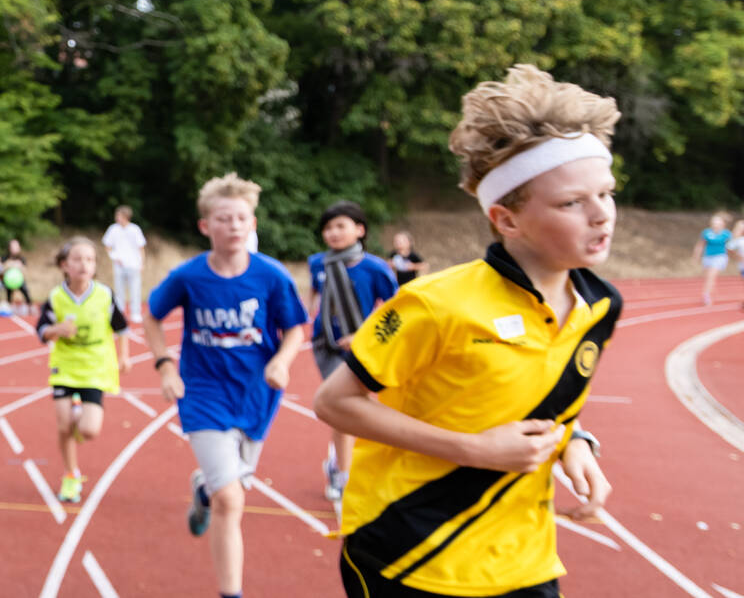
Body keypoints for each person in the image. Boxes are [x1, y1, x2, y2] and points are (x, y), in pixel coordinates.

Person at [315, 64, 619, 598]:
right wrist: (472, 449)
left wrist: (575, 443)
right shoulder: (435, 305)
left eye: (606, 193)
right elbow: (335, 403)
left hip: (525, 561)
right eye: (572, 202)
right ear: (506, 219)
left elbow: (548, 400)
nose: (602, 215)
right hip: (408, 553)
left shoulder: (600, 305)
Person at [142, 172, 308, 598]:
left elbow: (294, 329)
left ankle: (202, 490)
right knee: (231, 501)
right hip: (203, 394)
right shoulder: (189, 276)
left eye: (241, 218)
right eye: (223, 218)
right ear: (205, 226)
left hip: (256, 395)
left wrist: (282, 362)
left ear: (252, 223)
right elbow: (152, 314)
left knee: (227, 492)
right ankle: (230, 593)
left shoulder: (271, 276)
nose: (233, 225)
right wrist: (165, 366)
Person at [304, 200, 397, 504]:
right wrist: (312, 314)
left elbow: (395, 308)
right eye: (328, 228)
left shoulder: (374, 267)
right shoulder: (319, 262)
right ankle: (344, 477)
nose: (333, 232)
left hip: (364, 346)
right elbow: (315, 291)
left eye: (340, 226)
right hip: (327, 346)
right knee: (344, 407)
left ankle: (338, 466)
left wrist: (363, 335)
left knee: (353, 408)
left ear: (359, 230)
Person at [35, 238, 128, 503]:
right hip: (65, 364)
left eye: (89, 259)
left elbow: (122, 328)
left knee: (89, 430)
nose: (84, 264)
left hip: (96, 365)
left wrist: (124, 356)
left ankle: (79, 418)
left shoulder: (104, 295)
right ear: (65, 265)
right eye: (77, 259)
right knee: (63, 425)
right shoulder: (56, 297)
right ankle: (70, 474)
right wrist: (56, 330)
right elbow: (41, 330)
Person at [102, 205, 147, 322]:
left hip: (133, 264)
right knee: (119, 289)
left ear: (125, 216)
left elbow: (141, 247)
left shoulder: (135, 229)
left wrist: (142, 263)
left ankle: (135, 313)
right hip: (119, 265)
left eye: (119, 215)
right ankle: (119, 312)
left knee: (135, 289)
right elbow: (107, 245)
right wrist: (114, 257)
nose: (117, 217)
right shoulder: (113, 229)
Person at [697, 212, 733, 306]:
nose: (715, 224)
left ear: (722, 224)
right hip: (707, 257)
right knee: (708, 277)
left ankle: (706, 295)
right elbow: (700, 245)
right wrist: (697, 255)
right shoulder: (706, 232)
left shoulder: (726, 234)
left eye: (718, 223)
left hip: (720, 257)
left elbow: (731, 246)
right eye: (714, 222)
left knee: (711, 276)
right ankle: (709, 292)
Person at [3, 238, 32, 316]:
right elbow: (3, 267)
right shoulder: (5, 257)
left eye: (16, 246)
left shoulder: (21, 258)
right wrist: (11, 264)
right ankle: (9, 306)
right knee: (8, 290)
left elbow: (25, 270)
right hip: (8, 280)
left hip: (19, 280)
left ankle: (30, 306)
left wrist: (20, 266)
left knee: (25, 289)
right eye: (13, 246)